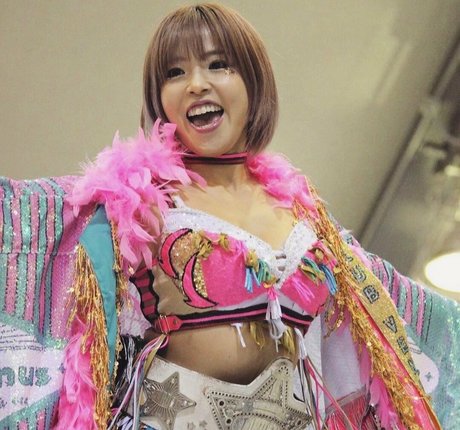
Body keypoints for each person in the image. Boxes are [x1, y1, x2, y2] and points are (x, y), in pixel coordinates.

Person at [1, 3, 457, 430]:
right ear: (160, 99)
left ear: (253, 82)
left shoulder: (305, 213)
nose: (196, 83)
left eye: (218, 65)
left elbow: (398, 309)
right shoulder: (138, 200)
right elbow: (31, 231)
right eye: (175, 73)